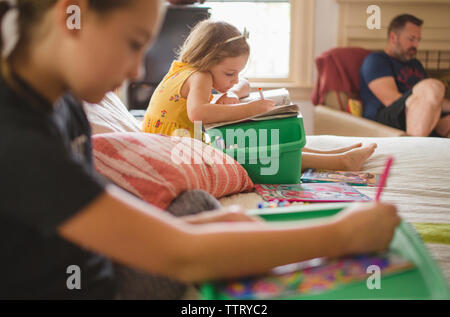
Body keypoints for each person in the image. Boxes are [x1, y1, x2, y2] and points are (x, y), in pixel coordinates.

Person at [0, 0, 400, 299]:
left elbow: (86, 236)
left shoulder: (64, 105)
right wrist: (343, 234)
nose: (138, 71)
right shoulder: (16, 137)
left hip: (96, 265)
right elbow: (180, 255)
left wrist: (198, 229)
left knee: (200, 210)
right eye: (133, 43)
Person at [143, 19, 378, 171]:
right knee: (262, 149)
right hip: (175, 153)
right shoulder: (201, 77)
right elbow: (197, 113)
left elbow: (243, 84)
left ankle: (331, 155)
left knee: (259, 143)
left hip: (171, 145)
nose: (235, 78)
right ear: (207, 60)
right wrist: (251, 109)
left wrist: (233, 91)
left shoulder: (183, 71)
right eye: (230, 73)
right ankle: (341, 162)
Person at [360, 14, 450, 137]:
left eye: (418, 40)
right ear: (393, 37)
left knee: (435, 88)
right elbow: (390, 100)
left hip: (417, 117)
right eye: (411, 39)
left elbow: (432, 97)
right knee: (433, 85)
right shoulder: (376, 60)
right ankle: (415, 146)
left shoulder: (415, 64)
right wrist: (435, 120)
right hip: (385, 117)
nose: (416, 45)